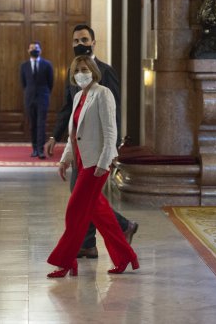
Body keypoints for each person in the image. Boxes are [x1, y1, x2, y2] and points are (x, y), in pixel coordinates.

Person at [45, 24, 138, 258]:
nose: (80, 44)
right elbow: (70, 110)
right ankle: (91, 242)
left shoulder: (106, 72)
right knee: (87, 198)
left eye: (84, 39)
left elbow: (112, 115)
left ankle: (113, 231)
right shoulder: (73, 72)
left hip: (97, 150)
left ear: (93, 43)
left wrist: (111, 150)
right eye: (75, 40)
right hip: (78, 147)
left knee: (83, 197)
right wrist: (55, 136)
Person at [19, 41, 54, 158]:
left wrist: (45, 93)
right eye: (32, 48)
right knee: (32, 124)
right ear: (28, 51)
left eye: (36, 48)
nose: (34, 50)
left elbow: (50, 82)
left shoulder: (47, 64)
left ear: (40, 50)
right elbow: (23, 83)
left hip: (43, 98)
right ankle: (34, 149)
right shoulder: (24, 66)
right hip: (29, 98)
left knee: (41, 124)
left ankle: (40, 150)